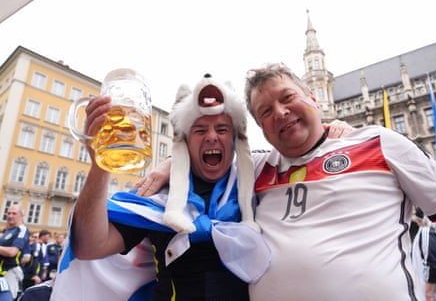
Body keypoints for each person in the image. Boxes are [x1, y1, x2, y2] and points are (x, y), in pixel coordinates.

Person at [141, 63, 436, 300]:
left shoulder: (378, 143)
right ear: (261, 130)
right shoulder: (255, 167)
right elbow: (209, 149)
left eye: (287, 98)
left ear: (313, 97)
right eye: (265, 111)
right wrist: (173, 162)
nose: (280, 112)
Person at [52, 74, 272, 300]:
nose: (212, 137)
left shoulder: (260, 180)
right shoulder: (157, 195)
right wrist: (100, 164)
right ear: (184, 143)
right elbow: (90, 246)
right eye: (200, 130)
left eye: (223, 129)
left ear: (235, 140)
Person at [0, 205, 30, 301]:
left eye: (14, 213)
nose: (10, 216)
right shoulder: (6, 231)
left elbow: (12, 252)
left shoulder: (22, 229)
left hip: (9, 273)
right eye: (8, 213)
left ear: (21, 216)